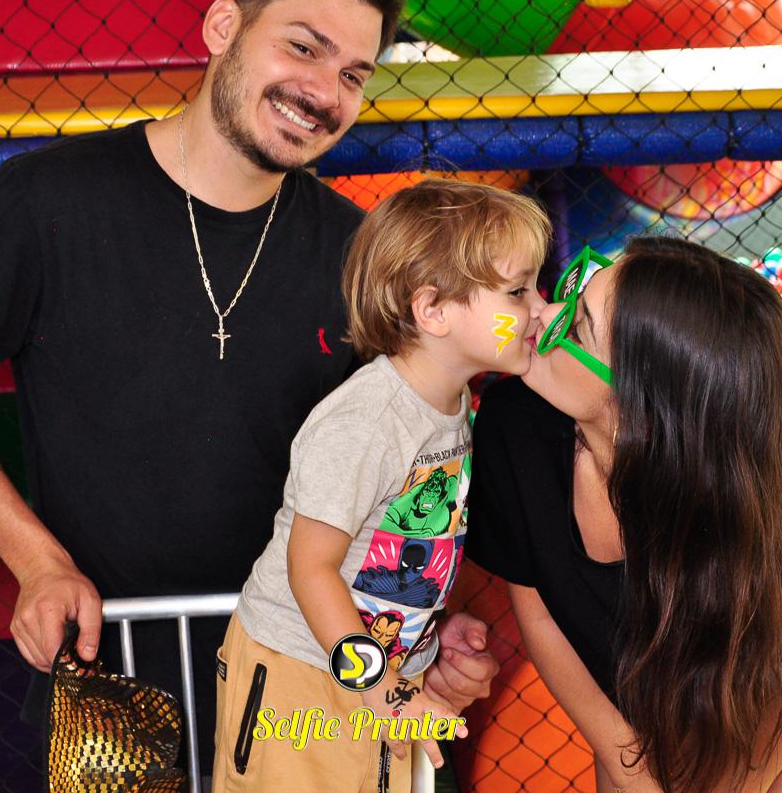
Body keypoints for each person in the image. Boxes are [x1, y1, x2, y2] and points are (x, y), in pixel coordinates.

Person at [0, 0, 498, 771]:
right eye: (303, 47)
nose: (325, 92)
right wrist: (38, 563)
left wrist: (432, 624)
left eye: (354, 74)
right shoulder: (45, 201)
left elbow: (416, 470)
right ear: (222, 27)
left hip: (306, 677)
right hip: (108, 669)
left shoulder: (364, 258)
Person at [468, 236, 782, 793]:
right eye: (572, 294)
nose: (544, 314)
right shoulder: (515, 428)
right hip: (645, 664)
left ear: (643, 410)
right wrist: (630, 769)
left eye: (577, 329)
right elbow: (543, 614)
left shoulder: (771, 535)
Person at [215, 180, 551, 791]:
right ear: (433, 310)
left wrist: (426, 629)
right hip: (302, 672)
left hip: (377, 671)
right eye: (518, 291)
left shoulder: (451, 405)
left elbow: (390, 548)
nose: (540, 307)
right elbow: (311, 568)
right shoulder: (368, 420)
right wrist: (379, 685)